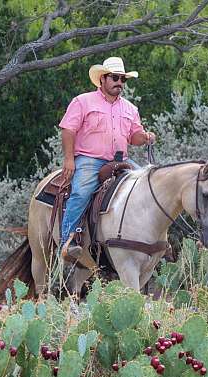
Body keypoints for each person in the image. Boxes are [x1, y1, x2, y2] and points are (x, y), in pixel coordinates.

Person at [58, 56, 156, 258]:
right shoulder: (82, 101)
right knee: (82, 192)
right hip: (90, 160)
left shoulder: (130, 108)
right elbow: (68, 129)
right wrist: (69, 159)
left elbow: (134, 137)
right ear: (102, 79)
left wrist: (145, 137)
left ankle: (153, 240)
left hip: (122, 161)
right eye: (115, 78)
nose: (119, 83)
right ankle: (67, 241)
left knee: (148, 186)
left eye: (123, 79)